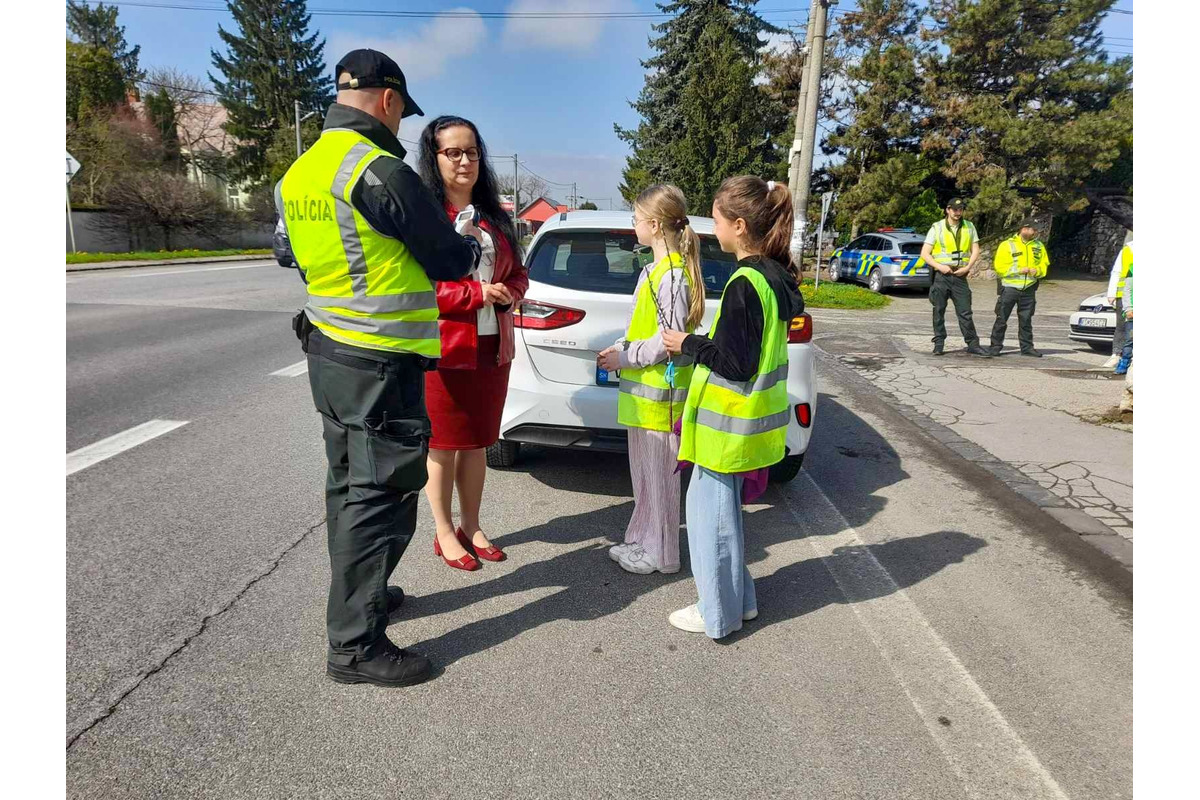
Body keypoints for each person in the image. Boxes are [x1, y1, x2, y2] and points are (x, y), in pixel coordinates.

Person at [276, 49, 482, 688]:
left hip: (330, 352)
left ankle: (361, 600)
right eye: (401, 113)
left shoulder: (299, 173)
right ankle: (355, 646)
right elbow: (450, 258)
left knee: (346, 488)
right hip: (379, 361)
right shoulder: (378, 171)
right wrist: (471, 245)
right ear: (389, 100)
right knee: (380, 496)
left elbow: (292, 257)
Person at [662, 177, 803, 639]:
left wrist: (689, 343)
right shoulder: (774, 275)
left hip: (725, 430)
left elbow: (735, 365)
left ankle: (715, 613)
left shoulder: (746, 283)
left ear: (739, 226)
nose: (713, 228)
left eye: (718, 219)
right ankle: (739, 603)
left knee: (710, 526)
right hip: (747, 427)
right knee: (726, 523)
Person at [416, 116, 529, 571]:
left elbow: (518, 274)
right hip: (445, 351)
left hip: (492, 348)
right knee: (442, 445)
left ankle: (472, 525)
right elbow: (418, 290)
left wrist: (509, 293)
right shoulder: (424, 219)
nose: (465, 161)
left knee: (479, 443)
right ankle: (444, 532)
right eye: (453, 153)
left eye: (472, 152)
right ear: (434, 157)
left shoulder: (494, 219)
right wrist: (475, 294)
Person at [598, 184, 704, 575]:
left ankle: (662, 554)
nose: (633, 226)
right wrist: (619, 349)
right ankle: (643, 541)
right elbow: (643, 328)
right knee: (645, 478)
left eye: (636, 220)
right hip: (643, 396)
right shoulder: (655, 271)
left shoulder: (672, 277)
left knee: (659, 482)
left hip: (661, 399)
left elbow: (666, 341)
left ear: (655, 225)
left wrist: (622, 357)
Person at [921, 198, 990, 357]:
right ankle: (939, 343)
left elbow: (975, 250)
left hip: (960, 275)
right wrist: (939, 267)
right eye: (955, 210)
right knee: (938, 310)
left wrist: (967, 267)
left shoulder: (969, 226)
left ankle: (973, 344)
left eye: (960, 210)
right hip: (942, 275)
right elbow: (925, 253)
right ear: (948, 210)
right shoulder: (937, 227)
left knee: (965, 312)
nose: (958, 213)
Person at [988, 220, 1050, 357]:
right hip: (1010, 288)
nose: (1034, 232)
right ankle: (995, 346)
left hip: (1029, 289)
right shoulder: (1007, 245)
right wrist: (1019, 270)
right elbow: (1000, 267)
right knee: (1001, 318)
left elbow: (1044, 264)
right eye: (1032, 229)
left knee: (1026, 320)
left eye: (1035, 229)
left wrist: (1038, 271)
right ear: (1023, 229)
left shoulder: (1039, 246)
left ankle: (1027, 347)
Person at [1104, 238, 1133, 369]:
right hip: (1125, 294)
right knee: (1121, 326)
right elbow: (1117, 271)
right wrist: (1111, 293)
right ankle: (1116, 354)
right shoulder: (1128, 249)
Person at [1115, 269, 1132, 375]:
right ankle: (1124, 361)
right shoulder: (1132, 272)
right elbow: (1127, 292)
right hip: (1132, 315)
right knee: (1131, 339)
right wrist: (1129, 309)